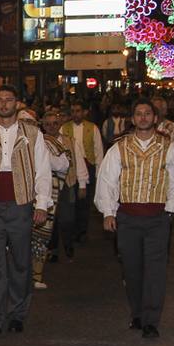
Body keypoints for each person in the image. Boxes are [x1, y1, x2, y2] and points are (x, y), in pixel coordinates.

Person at [94, 99, 174, 338]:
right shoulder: (119, 148)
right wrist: (108, 212)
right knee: (132, 268)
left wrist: (169, 209)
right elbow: (106, 181)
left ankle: (151, 320)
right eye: (139, 114)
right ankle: (137, 313)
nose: (143, 118)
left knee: (155, 270)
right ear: (133, 119)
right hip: (127, 217)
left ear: (155, 118)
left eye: (148, 114)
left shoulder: (169, 148)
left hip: (157, 218)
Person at [0, 85, 53, 334]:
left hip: (21, 205)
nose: (4, 104)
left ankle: (17, 314)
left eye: (9, 100)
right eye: (0, 100)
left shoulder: (33, 134)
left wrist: (41, 202)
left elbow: (43, 171)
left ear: (18, 103)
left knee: (20, 263)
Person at [32, 110, 74, 290]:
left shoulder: (64, 142)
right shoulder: (36, 141)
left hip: (53, 193)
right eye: (47, 124)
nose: (51, 127)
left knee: (43, 234)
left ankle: (36, 275)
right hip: (31, 193)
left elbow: (63, 165)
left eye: (54, 123)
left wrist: (43, 158)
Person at [60, 103, 103, 245]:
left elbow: (98, 151)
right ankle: (71, 231)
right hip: (70, 168)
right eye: (72, 111)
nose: (75, 114)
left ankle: (82, 232)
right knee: (71, 201)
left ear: (84, 112)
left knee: (84, 202)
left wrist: (98, 173)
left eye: (78, 111)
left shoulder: (93, 128)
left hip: (89, 166)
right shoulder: (64, 128)